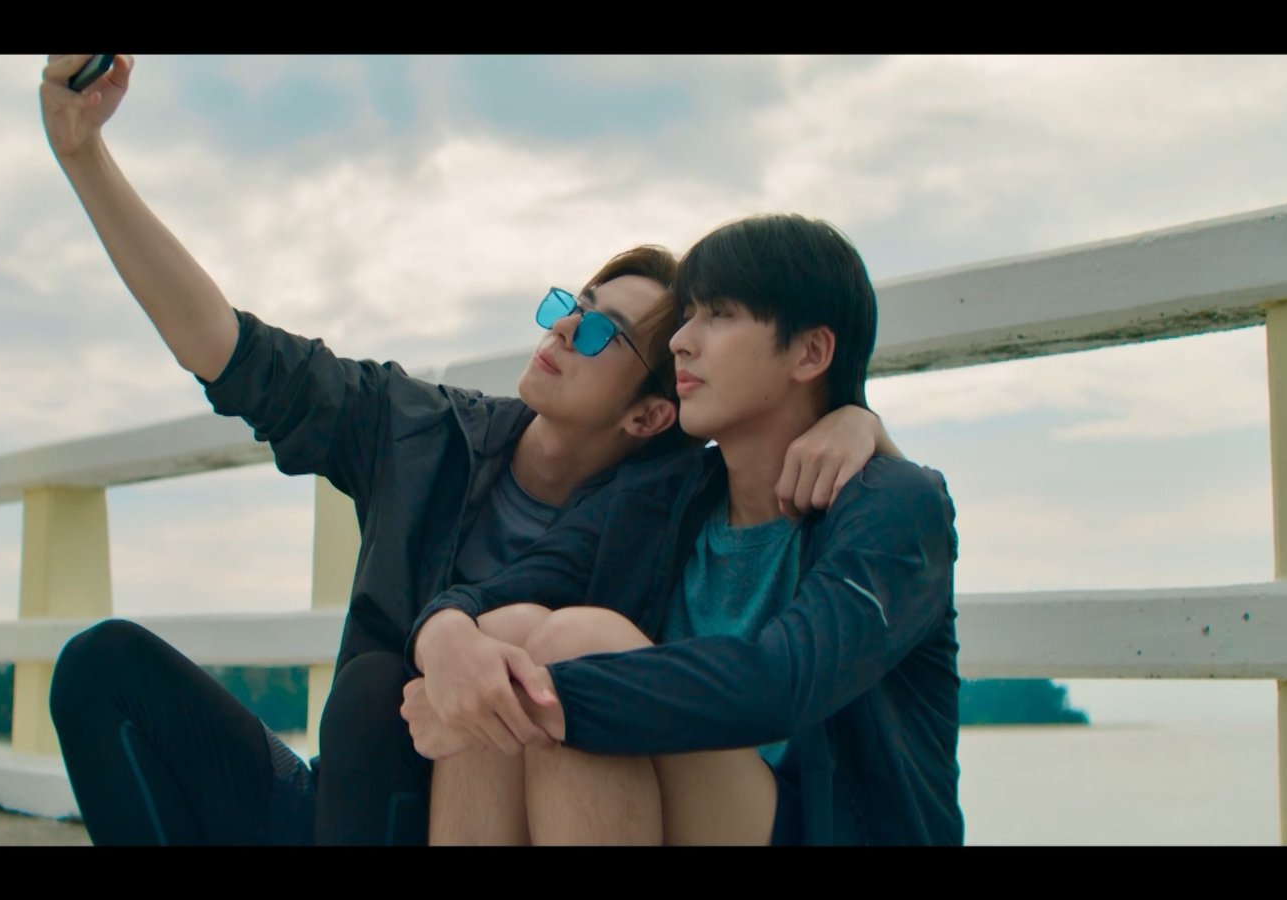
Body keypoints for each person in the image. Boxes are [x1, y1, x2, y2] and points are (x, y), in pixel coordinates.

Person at [38, 54, 900, 845]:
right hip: (359, 800)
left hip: (520, 782)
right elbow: (231, 352)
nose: (561, 329)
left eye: (598, 331)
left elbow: (776, 461)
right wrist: (83, 155)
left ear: (649, 414)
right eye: (570, 305)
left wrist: (859, 421)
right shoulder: (420, 431)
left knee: (417, 678)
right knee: (102, 669)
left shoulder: (666, 501)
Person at [406, 213, 962, 845]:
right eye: (687, 315)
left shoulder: (894, 507)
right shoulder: (665, 495)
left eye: (719, 315)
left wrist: (538, 699)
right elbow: (498, 593)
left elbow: (782, 686)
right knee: (501, 634)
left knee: (579, 643)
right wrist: (445, 640)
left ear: (810, 353)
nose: (680, 341)